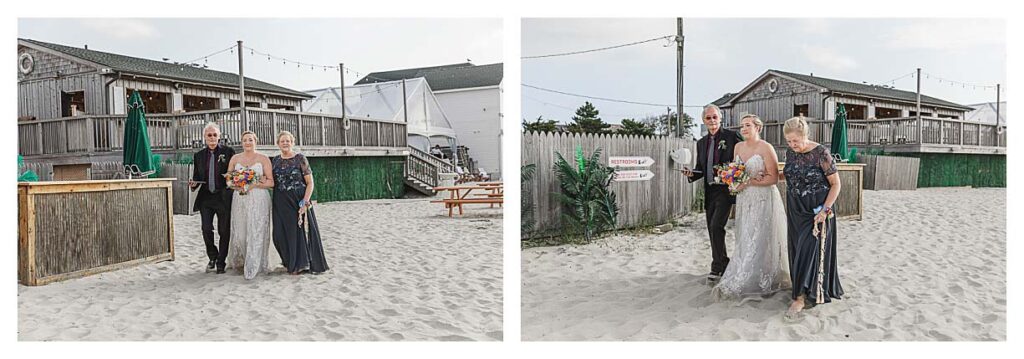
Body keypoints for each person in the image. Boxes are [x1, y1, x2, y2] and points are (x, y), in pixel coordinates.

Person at [711, 114, 790, 303]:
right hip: (745, 200)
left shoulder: (766, 147)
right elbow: (736, 172)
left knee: (761, 236)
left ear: (758, 128)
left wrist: (747, 182)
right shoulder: (738, 147)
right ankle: (745, 271)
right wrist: (734, 183)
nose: (743, 129)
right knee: (745, 235)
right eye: (742, 126)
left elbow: (772, 178)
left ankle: (764, 276)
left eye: (747, 125)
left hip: (763, 198)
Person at [780, 116, 844, 318]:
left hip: (817, 210)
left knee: (808, 250)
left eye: (795, 141)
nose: (792, 145)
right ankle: (802, 286)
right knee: (798, 250)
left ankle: (799, 298)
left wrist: (825, 210)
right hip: (794, 208)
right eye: (789, 141)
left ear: (805, 136)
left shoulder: (821, 153)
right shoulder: (790, 153)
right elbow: (790, 174)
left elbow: (836, 184)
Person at [682, 104, 743, 283]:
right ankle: (721, 263)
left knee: (717, 226)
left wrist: (734, 177)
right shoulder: (701, 143)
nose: (712, 121)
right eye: (708, 118)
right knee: (711, 228)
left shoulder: (732, 136)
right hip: (709, 190)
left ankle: (717, 266)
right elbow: (701, 168)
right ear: (703, 121)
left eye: (714, 117)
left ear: (720, 118)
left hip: (726, 190)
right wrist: (691, 174)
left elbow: (741, 160)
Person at [271, 131, 329, 275]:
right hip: (280, 200)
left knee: (296, 232)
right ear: (278, 143)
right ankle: (288, 261)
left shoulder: (300, 159)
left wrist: (305, 202)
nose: (285, 143)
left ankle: (300, 265)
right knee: (278, 234)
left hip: (298, 199)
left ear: (292, 143)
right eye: (282, 141)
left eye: (288, 141)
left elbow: (310, 182)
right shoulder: (275, 160)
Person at [225, 131, 275, 280]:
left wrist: (253, 184)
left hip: (259, 198)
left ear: (255, 141)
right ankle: (245, 259)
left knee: (256, 231)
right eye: (245, 140)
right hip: (240, 199)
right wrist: (237, 185)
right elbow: (228, 180)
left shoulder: (263, 158)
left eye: (250, 140)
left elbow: (271, 182)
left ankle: (255, 264)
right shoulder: (235, 158)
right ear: (241, 142)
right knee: (240, 233)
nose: (247, 142)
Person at [189, 123, 236, 274]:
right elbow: (197, 177)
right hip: (206, 198)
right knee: (206, 228)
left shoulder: (229, 152)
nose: (212, 138)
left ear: (219, 136)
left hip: (223, 197)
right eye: (209, 135)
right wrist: (193, 184)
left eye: (215, 135)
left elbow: (234, 173)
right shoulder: (199, 156)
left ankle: (221, 261)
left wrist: (231, 180)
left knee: (224, 230)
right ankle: (212, 256)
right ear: (204, 137)